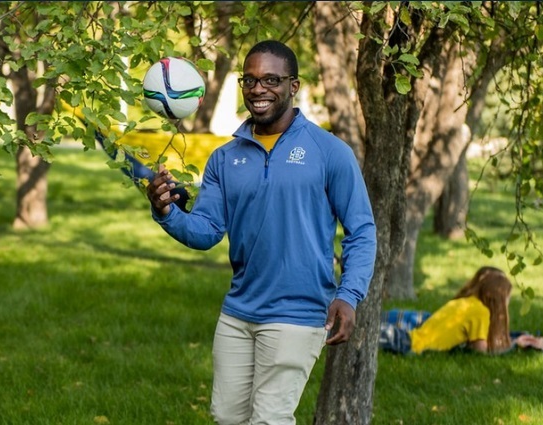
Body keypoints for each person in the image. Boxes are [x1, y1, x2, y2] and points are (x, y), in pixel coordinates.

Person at [145, 40, 377, 425]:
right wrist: (166, 210)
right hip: (239, 312)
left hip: (297, 314)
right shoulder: (224, 158)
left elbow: (362, 229)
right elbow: (205, 231)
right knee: (227, 417)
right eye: (249, 80)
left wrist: (349, 295)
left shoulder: (329, 151)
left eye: (271, 79)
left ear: (293, 85)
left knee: (270, 418)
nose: (258, 89)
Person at [379, 266, 543, 355]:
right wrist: (514, 345)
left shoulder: (469, 302)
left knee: (371, 325)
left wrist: (515, 337)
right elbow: (480, 351)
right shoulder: (481, 313)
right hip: (410, 345)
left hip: (410, 334)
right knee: (367, 332)